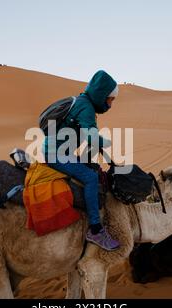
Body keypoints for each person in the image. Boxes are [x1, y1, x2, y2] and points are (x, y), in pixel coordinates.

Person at [43, 70, 120, 251]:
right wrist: (104, 141)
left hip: (62, 151)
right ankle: (95, 229)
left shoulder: (81, 102)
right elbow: (92, 138)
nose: (110, 103)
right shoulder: (86, 108)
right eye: (110, 99)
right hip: (56, 154)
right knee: (91, 178)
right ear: (101, 95)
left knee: (91, 168)